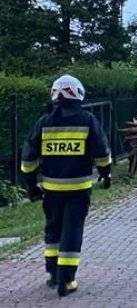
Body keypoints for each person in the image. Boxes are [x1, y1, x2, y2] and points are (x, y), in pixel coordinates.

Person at [20, 75, 112, 297]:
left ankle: (52, 274)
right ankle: (67, 279)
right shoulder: (88, 120)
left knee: (53, 228)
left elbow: (28, 159)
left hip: (51, 190)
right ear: (78, 94)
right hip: (79, 189)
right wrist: (105, 175)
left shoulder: (44, 122)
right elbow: (101, 153)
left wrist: (31, 186)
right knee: (72, 230)